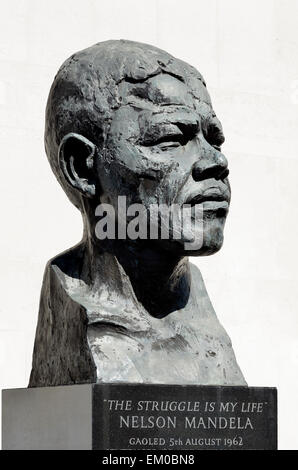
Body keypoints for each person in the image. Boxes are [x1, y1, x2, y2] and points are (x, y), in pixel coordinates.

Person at [29, 40, 246, 387]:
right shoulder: (78, 315)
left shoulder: (206, 326)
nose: (216, 162)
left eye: (213, 139)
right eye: (170, 139)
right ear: (83, 169)